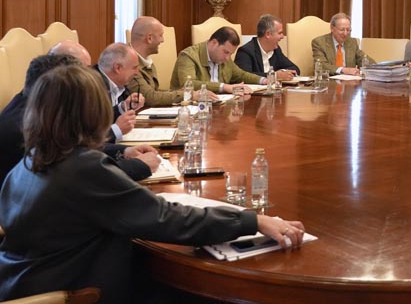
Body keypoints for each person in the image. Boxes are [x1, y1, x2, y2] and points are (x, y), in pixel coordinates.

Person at [0, 64, 304, 302]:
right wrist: (252, 221)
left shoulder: (31, 160)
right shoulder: (82, 168)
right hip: (74, 291)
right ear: (92, 113)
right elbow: (168, 219)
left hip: (23, 280)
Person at [0, 54, 158, 182]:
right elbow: (82, 177)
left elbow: (74, 148)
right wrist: (138, 165)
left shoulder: (37, 109)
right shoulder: (23, 127)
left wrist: (124, 151)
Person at [171, 26, 265, 94]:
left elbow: (241, 75)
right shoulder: (188, 56)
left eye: (231, 54)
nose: (228, 58)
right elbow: (189, 84)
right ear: (214, 43)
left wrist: (263, 80)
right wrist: (224, 87)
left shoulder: (225, 59)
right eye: (226, 52)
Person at [125, 16, 186, 106]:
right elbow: (149, 97)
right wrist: (186, 95)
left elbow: (154, 92)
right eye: (160, 35)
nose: (162, 40)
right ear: (149, 38)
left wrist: (180, 93)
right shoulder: (127, 62)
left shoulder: (146, 61)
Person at [94, 43, 145, 143]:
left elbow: (104, 116)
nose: (137, 73)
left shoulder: (117, 83)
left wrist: (123, 107)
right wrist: (116, 130)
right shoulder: (91, 87)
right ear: (117, 68)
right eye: (134, 68)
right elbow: (88, 137)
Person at [235, 14, 299, 79]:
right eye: (280, 33)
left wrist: (283, 72)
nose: (282, 37)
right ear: (268, 34)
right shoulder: (245, 52)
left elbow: (295, 69)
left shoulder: (276, 50)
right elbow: (243, 77)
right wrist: (274, 75)